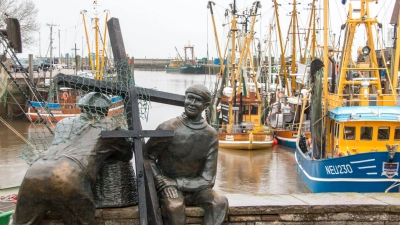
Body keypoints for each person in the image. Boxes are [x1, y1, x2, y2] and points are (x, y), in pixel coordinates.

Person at [13, 92, 133, 225]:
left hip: (34, 172)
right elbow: (126, 155)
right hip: (69, 175)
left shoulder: (64, 123)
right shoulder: (110, 126)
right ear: (105, 110)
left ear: (82, 107)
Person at [145, 84, 228, 225]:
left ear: (206, 105)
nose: (192, 103)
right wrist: (161, 180)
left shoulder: (211, 135)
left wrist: (177, 183)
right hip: (169, 187)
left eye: (198, 100)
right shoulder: (168, 128)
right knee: (174, 206)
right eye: (190, 98)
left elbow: (208, 179)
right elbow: (147, 157)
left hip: (196, 188)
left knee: (219, 202)